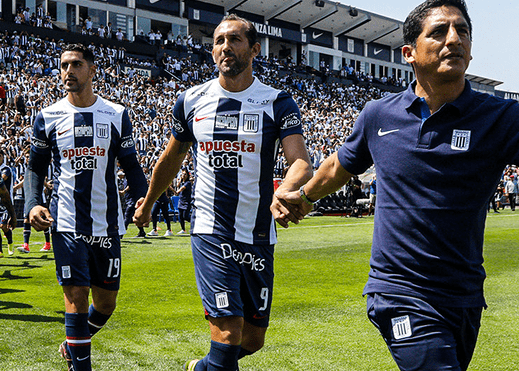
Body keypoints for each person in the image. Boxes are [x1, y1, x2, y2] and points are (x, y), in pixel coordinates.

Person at [275, 1, 519, 370]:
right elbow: (338, 166)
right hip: (399, 291)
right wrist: (304, 196)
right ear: (409, 54)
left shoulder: (501, 117)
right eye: (438, 32)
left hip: (463, 296)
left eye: (462, 31)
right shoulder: (378, 115)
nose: (454, 39)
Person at [133, 14, 312, 371]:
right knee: (228, 333)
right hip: (211, 230)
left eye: (234, 40)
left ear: (255, 49)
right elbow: (171, 159)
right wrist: (149, 202)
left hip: (259, 232)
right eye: (218, 41)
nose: (225, 47)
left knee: (252, 339)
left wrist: (286, 190)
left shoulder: (277, 102)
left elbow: (301, 163)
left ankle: (202, 368)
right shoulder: (191, 100)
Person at [24, 43, 147, 371]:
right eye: (64, 65)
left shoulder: (117, 114)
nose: (68, 71)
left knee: (105, 304)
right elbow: (35, 167)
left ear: (92, 70)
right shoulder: (47, 117)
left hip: (106, 224)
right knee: (76, 299)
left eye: (76, 65)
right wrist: (33, 203)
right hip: (66, 223)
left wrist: (144, 199)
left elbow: (131, 165)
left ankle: (72, 343)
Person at [176, 170, 192, 234]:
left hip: (186, 202)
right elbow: (178, 185)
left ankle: (194, 222)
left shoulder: (188, 183)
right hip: (181, 201)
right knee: (180, 216)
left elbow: (182, 188)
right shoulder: (182, 182)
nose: (183, 175)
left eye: (185, 174)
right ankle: (183, 229)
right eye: (182, 174)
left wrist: (177, 192)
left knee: (185, 216)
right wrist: (180, 180)